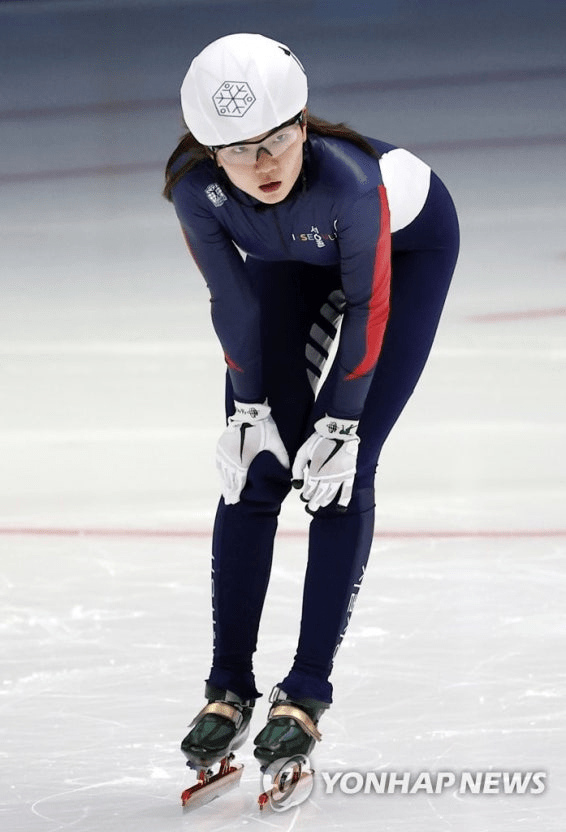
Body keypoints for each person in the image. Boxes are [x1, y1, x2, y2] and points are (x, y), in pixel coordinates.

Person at [163, 33, 459, 774]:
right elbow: (234, 304)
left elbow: (368, 305)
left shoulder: (353, 183)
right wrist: (247, 411)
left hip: (401, 257)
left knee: (340, 473)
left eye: (275, 141)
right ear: (209, 151)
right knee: (252, 470)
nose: (262, 164)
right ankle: (227, 686)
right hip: (292, 257)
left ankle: (305, 693)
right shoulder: (196, 189)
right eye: (238, 150)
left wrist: (343, 423)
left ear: (301, 124)